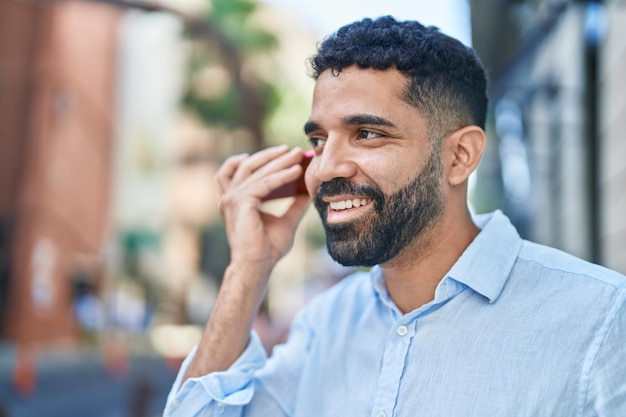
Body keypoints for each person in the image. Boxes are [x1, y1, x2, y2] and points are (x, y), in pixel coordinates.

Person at [164, 16, 626, 417]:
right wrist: (249, 268)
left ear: (460, 156)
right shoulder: (325, 325)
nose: (325, 168)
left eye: (366, 133)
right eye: (319, 140)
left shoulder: (600, 319)